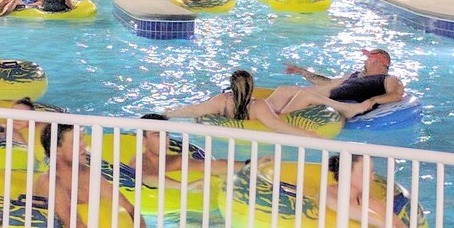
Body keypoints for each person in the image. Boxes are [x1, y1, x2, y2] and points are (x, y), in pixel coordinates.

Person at [34, 123, 159, 228]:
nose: (84, 145)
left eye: (82, 139)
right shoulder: (51, 183)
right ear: (57, 150)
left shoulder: (88, 174)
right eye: (76, 141)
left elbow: (130, 208)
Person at [164, 70, 326, 138]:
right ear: (252, 87)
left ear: (232, 88)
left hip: (237, 129)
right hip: (271, 120)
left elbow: (194, 110)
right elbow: (277, 125)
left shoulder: (223, 101)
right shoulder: (259, 106)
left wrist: (170, 113)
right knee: (299, 94)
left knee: (283, 91)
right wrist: (307, 134)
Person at [128, 114, 246, 189]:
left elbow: (208, 165)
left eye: (166, 134)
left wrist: (248, 164)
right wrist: (186, 186)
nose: (165, 140)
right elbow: (147, 177)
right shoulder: (139, 162)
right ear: (143, 140)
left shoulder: (175, 160)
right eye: (157, 135)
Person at [325, 154, 408, 228]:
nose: (371, 177)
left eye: (372, 172)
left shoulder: (366, 200)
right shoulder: (330, 192)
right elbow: (340, 207)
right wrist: (378, 224)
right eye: (365, 171)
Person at [285, 48, 405, 114]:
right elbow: (328, 83)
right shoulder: (355, 75)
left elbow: (396, 95)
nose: (366, 60)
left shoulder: (388, 79)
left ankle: (278, 123)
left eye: (370, 58)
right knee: (285, 91)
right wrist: (302, 72)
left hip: (344, 104)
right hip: (327, 96)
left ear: (380, 62)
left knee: (303, 95)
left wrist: (373, 100)